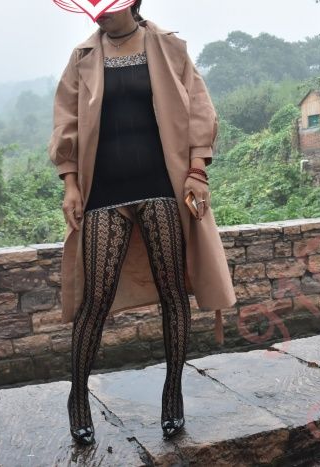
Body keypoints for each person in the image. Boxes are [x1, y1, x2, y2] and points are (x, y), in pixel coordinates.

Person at [49, 0, 236, 447]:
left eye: (109, 6)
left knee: (173, 293)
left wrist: (197, 170)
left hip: (161, 185)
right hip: (104, 190)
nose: (100, 12)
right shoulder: (83, 57)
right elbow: (66, 124)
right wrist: (70, 184)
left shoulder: (168, 47)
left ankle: (173, 393)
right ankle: (78, 396)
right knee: (95, 299)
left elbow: (199, 109)